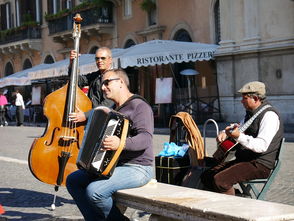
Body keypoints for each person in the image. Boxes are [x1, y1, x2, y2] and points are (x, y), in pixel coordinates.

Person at [66, 69, 154, 221]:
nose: (102, 87)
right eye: (102, 84)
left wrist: (121, 144)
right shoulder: (114, 110)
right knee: (73, 180)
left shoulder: (139, 106)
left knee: (95, 191)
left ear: (121, 82)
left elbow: (145, 138)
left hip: (138, 168)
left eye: (107, 82)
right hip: (115, 166)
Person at [201, 81, 283, 195]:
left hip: (260, 164)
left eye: (244, 98)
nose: (241, 101)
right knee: (207, 176)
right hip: (246, 160)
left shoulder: (270, 116)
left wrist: (239, 136)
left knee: (221, 181)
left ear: (255, 98)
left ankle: (233, 208)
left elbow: (261, 146)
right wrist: (225, 132)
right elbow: (239, 129)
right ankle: (239, 197)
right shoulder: (251, 114)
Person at [69, 47, 114, 123]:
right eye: (97, 58)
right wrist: (72, 63)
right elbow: (76, 81)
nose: (99, 61)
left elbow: (106, 105)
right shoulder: (96, 75)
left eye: (103, 58)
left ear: (110, 60)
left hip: (105, 122)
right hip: (92, 119)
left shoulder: (114, 78)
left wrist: (85, 115)